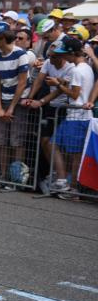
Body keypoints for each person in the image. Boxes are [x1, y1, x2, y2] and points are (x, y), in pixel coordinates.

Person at [39, 38, 93, 193]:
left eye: (65, 54)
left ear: (71, 53)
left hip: (76, 116)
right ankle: (64, 180)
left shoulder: (77, 70)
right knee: (55, 144)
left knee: (73, 153)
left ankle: (71, 186)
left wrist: (58, 85)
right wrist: (61, 82)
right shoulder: (85, 67)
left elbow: (74, 94)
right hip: (77, 116)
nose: (63, 58)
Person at [0, 22, 30, 188]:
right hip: (3, 99)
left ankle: (17, 177)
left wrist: (12, 107)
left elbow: (22, 83)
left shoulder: (21, 54)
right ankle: (5, 174)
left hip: (18, 101)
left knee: (16, 141)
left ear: (2, 38)